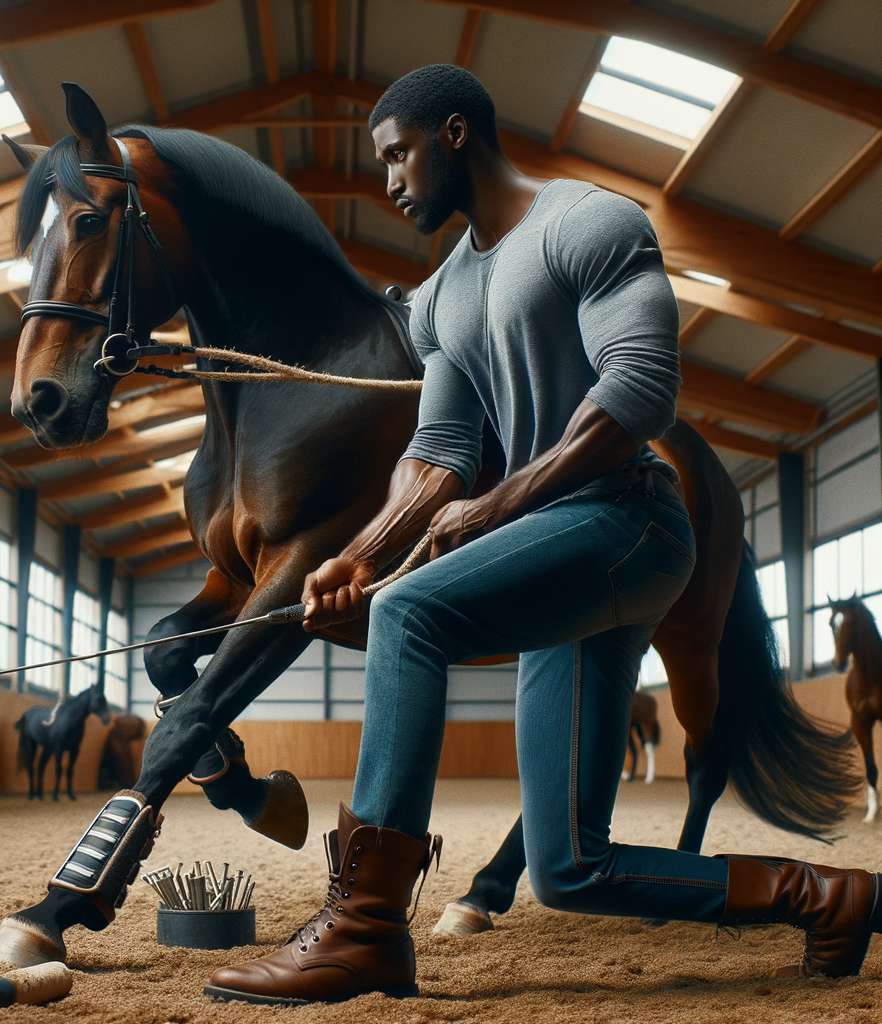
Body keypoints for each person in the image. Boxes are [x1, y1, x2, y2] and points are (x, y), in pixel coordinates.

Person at [204, 65, 882, 1005]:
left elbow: (641, 388)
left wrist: (499, 504)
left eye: (397, 155)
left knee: (407, 617)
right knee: (571, 870)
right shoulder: (441, 296)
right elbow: (438, 449)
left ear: (453, 134)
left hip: (630, 523)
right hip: (562, 554)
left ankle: (363, 927)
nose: (388, 180)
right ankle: (826, 895)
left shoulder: (587, 224)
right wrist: (361, 552)